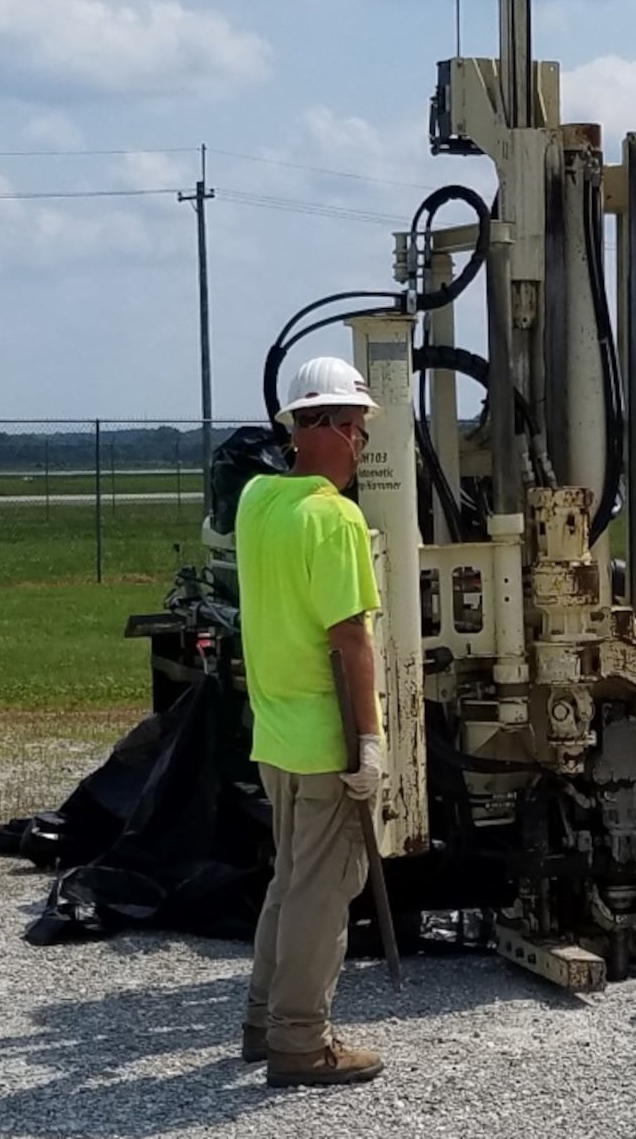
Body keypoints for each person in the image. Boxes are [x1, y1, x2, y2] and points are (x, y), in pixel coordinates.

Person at [237, 355, 386, 1088]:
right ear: (319, 427)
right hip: (324, 739)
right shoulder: (335, 517)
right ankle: (302, 1039)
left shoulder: (256, 499)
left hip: (274, 733)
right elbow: (351, 639)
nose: (360, 444)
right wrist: (370, 742)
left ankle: (264, 1019)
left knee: (289, 880)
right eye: (354, 428)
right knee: (323, 891)